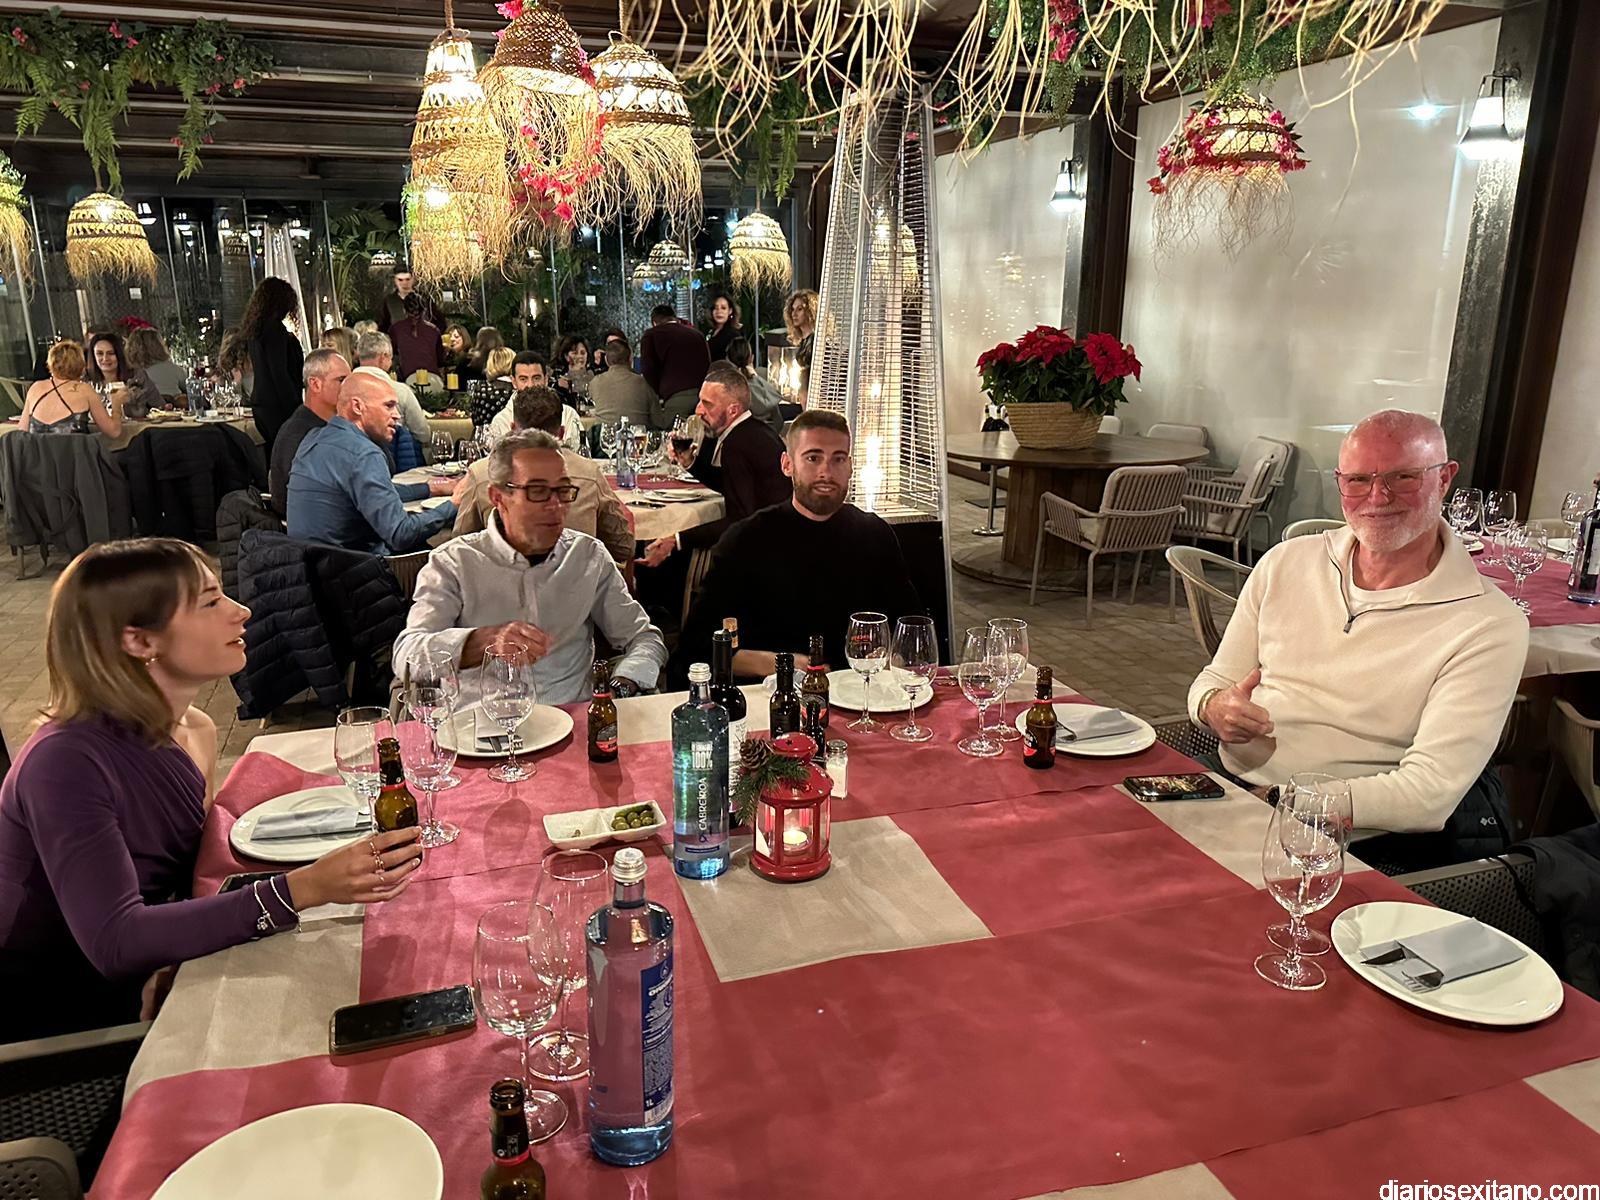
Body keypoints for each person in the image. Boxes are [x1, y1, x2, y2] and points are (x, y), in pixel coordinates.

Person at [0, 538, 422, 1039]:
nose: (241, 611)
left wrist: (172, 952)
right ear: (139, 641)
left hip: (155, 974)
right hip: (61, 1026)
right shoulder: (66, 762)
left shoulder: (194, 728)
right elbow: (115, 941)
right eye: (210, 601)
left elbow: (183, 876)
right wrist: (305, 887)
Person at [1187, 410, 1528, 871]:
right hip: (1232, 787)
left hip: (1358, 837)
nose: (1377, 497)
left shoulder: (1488, 622)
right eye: (1358, 480)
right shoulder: (1286, 562)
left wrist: (1281, 800)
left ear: (1445, 478)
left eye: (1403, 477)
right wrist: (1213, 707)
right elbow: (1213, 680)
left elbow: (1427, 794)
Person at [394, 428, 666, 707]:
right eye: (537, 491)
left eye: (562, 490)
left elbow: (644, 639)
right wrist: (481, 642)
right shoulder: (454, 562)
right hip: (481, 723)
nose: (556, 505)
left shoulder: (586, 555)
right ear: (498, 497)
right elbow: (406, 657)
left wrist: (625, 683)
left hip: (571, 718)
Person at [678, 410, 922, 680]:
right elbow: (695, 649)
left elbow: (912, 632)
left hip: (860, 690)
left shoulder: (875, 535)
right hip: (774, 694)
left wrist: (894, 662)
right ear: (787, 464)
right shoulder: (746, 540)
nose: (826, 472)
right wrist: (783, 663)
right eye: (813, 458)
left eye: (838, 459)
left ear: (850, 466)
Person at [454, 387, 632, 566]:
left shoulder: (481, 473)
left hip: (501, 579)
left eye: (562, 490)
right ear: (562, 433)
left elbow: (461, 545)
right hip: (575, 577)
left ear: (513, 429)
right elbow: (623, 546)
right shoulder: (589, 472)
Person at [286, 372, 463, 554]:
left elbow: (373, 493)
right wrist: (455, 503)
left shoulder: (312, 439)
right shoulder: (364, 453)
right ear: (357, 407)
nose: (397, 415)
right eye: (389, 406)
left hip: (304, 562)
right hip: (354, 566)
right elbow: (401, 534)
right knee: (453, 550)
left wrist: (430, 488)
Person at [638, 361, 789, 568]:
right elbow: (732, 483)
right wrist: (691, 463)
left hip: (766, 552)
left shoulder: (737, 444)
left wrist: (677, 540)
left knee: (666, 568)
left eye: (707, 404)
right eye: (700, 401)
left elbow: (740, 519)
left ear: (733, 410)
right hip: (778, 536)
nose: (698, 410)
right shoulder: (756, 430)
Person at [269, 348, 350, 518]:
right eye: (341, 380)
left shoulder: (329, 425)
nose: (349, 388)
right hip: (317, 525)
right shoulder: (299, 434)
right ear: (315, 384)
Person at [240, 276, 304, 451]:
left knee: (273, 452)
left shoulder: (255, 332)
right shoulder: (275, 331)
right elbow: (279, 373)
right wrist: (296, 407)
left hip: (261, 402)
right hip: (278, 406)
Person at [20, 340, 121, 438]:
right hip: (74, 450)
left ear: (51, 364)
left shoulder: (35, 388)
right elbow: (114, 432)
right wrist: (116, 405)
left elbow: (21, 432)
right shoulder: (84, 390)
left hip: (38, 450)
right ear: (81, 366)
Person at [352, 330, 432, 445]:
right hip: (393, 455)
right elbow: (423, 434)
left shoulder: (342, 388)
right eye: (391, 357)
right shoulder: (400, 391)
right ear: (383, 357)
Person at [640, 303, 711, 430]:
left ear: (654, 322)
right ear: (674, 318)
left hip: (676, 397)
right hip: (702, 396)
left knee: (671, 434)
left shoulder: (652, 335)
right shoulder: (697, 334)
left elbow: (648, 370)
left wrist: (658, 394)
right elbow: (708, 363)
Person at [486, 352, 581, 447]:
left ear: (546, 380)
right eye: (523, 379)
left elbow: (579, 453)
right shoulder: (501, 421)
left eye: (536, 378)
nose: (530, 385)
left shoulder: (568, 415)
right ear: (514, 382)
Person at [86, 330, 159, 421]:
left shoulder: (138, 377)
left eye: (111, 353)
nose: (105, 358)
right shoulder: (86, 383)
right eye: (99, 353)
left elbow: (159, 406)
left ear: (119, 355)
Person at [724, 336, 784, 434]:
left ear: (727, 359)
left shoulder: (727, 390)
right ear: (751, 358)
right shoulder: (764, 387)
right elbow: (779, 422)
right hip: (769, 437)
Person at [588, 338, 653, 426]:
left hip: (605, 433)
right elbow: (657, 420)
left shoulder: (595, 382)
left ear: (606, 360)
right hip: (637, 433)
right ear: (630, 359)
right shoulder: (644, 383)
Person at [123, 327, 187, 402]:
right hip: (177, 407)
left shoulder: (133, 375)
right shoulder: (175, 369)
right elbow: (189, 389)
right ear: (160, 345)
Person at [376, 265, 440, 338]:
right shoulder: (389, 301)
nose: (404, 283)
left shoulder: (424, 299)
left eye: (407, 279)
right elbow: (383, 326)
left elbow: (438, 321)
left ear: (413, 279)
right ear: (395, 280)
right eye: (400, 280)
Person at [784, 288, 818, 384]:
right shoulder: (803, 341)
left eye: (799, 309)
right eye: (792, 309)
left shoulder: (816, 341)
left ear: (810, 311)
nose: (794, 314)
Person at [551, 335, 592, 406]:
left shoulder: (593, 377)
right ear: (566, 356)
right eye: (575, 353)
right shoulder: (559, 380)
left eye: (583, 353)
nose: (580, 356)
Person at [705, 292, 741, 363]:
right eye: (715, 308)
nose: (719, 311)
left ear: (730, 311)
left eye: (723, 308)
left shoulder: (734, 336)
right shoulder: (709, 331)